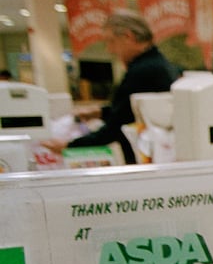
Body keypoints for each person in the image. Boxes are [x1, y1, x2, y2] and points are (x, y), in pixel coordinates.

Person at [42, 10, 180, 163]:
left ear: (128, 36)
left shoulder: (144, 71)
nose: (110, 49)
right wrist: (100, 112)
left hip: (148, 157)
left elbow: (118, 125)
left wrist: (69, 145)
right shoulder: (158, 64)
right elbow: (131, 111)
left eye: (111, 41)